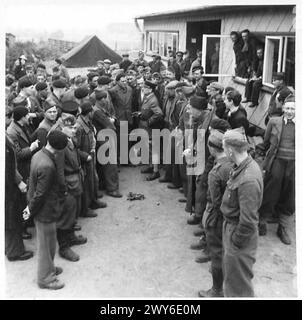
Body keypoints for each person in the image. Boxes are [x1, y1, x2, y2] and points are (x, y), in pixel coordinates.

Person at [220, 127, 263, 297]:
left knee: (239, 288)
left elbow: (248, 221)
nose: (223, 152)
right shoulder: (241, 167)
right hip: (232, 228)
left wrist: (235, 243)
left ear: (230, 151)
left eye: (224, 148)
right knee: (232, 280)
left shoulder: (248, 179)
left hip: (239, 235)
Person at [26, 130, 68, 290]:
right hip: (44, 211)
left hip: (43, 209)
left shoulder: (39, 155)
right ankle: (45, 278)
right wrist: (29, 211)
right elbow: (40, 194)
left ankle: (49, 268)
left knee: (50, 242)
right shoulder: (47, 165)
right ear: (59, 149)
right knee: (45, 246)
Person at [198, 128, 233, 297]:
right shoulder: (231, 164)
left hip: (216, 217)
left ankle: (217, 290)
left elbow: (214, 200)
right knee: (225, 250)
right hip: (230, 217)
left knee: (217, 253)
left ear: (212, 148)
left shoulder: (216, 172)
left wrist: (208, 218)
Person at [258, 95, 295, 244]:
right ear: (283, 109)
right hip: (276, 161)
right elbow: (266, 142)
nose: (289, 111)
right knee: (270, 191)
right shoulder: (274, 122)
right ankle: (262, 220)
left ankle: (283, 227)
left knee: (289, 196)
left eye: (293, 108)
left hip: (293, 164)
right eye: (287, 108)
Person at [76, 101, 107, 216]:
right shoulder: (79, 126)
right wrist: (85, 156)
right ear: (88, 113)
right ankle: (85, 209)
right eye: (92, 111)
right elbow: (75, 147)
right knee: (86, 184)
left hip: (91, 155)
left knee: (93, 180)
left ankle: (93, 201)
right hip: (85, 159)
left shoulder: (87, 122)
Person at [5, 134, 33, 262]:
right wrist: (19, 181)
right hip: (9, 186)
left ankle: (9, 247)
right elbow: (8, 167)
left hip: (8, 185)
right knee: (12, 219)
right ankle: (14, 252)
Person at [92, 90, 122, 198]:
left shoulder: (99, 109)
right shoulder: (97, 111)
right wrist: (112, 121)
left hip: (103, 139)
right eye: (103, 99)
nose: (106, 100)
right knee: (110, 165)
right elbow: (110, 125)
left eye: (106, 98)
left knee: (103, 164)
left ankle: (104, 184)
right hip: (105, 139)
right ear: (99, 101)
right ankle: (112, 189)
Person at [137, 80, 164, 181]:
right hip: (148, 130)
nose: (143, 89)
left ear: (150, 89)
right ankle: (151, 166)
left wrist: (149, 121)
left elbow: (159, 114)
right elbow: (147, 110)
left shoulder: (153, 100)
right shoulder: (147, 98)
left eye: (145, 88)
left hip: (152, 129)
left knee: (154, 151)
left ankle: (156, 171)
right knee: (149, 149)